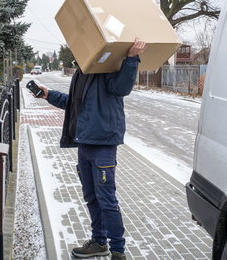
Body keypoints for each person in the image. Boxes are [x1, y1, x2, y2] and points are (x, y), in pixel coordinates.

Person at [37, 39, 146, 260]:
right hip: (84, 143)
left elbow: (121, 88)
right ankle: (98, 242)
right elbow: (75, 104)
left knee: (106, 199)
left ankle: (118, 251)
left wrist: (132, 59)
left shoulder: (108, 66)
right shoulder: (82, 72)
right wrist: (48, 95)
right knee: (92, 197)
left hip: (103, 144)